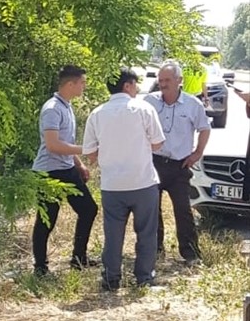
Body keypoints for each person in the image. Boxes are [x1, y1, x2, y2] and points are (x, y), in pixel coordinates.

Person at [82, 70, 165, 290]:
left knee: (113, 234)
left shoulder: (97, 114)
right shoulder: (144, 109)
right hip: (143, 181)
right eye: (135, 84)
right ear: (127, 86)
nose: (137, 89)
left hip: (112, 185)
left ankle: (111, 278)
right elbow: (158, 143)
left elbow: (89, 153)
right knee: (146, 232)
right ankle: (144, 278)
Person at [32, 65, 98, 275]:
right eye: (82, 82)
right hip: (49, 173)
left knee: (89, 209)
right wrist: (87, 149)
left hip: (67, 168)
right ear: (71, 84)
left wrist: (78, 164)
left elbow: (65, 143)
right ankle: (40, 268)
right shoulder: (52, 108)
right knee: (47, 220)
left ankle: (79, 259)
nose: (84, 86)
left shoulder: (66, 106)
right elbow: (53, 145)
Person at [144, 59, 210, 264]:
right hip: (153, 163)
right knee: (152, 209)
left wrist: (197, 153)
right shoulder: (149, 101)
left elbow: (204, 129)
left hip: (179, 165)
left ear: (179, 80)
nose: (163, 84)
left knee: (183, 210)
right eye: (160, 80)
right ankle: (155, 251)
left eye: (167, 80)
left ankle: (190, 254)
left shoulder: (192, 104)